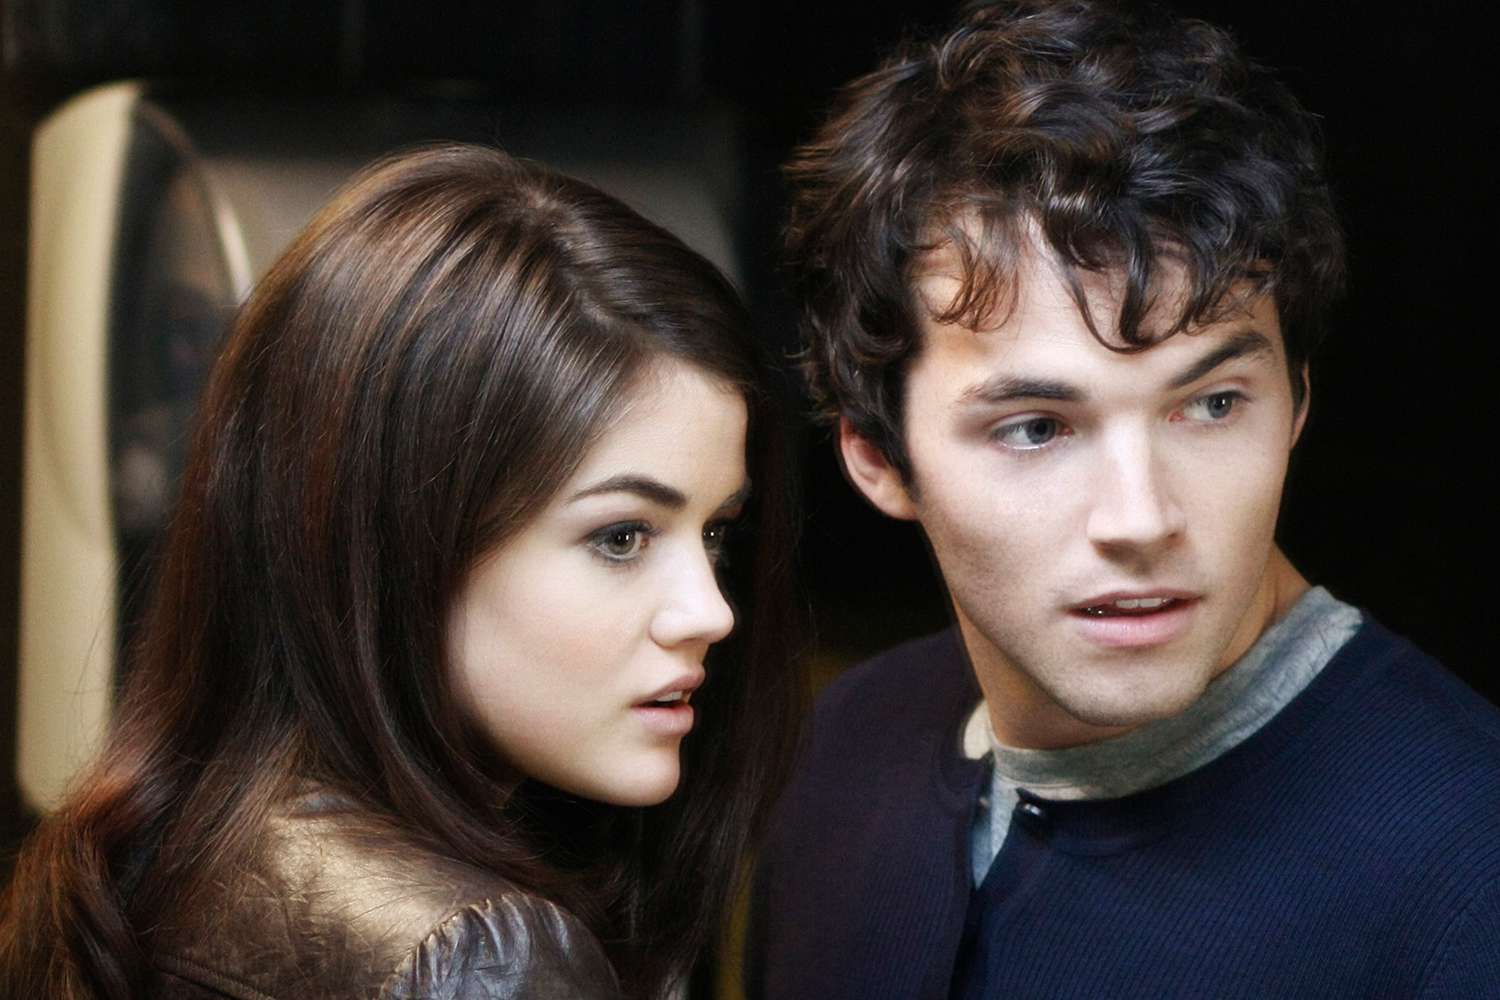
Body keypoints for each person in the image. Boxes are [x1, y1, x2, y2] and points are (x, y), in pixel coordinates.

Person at [747, 2, 1500, 997]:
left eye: (1212, 404)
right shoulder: (845, 747)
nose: (1141, 519)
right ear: (877, 457)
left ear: (1297, 402)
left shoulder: (1468, 867)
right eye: (1037, 428)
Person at [0, 144, 798, 999]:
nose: (710, 611)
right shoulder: (480, 957)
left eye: (716, 532)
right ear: (402, 541)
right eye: (622, 537)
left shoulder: (130, 856)